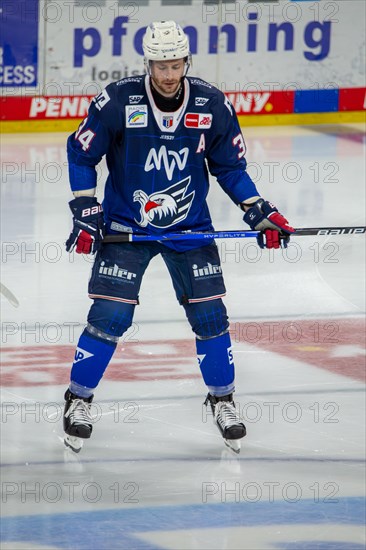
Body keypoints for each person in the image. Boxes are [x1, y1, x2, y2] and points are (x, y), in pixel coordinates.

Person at [63, 20, 294, 453]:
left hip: (190, 228)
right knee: (110, 317)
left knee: (210, 318)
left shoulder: (212, 103)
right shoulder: (117, 100)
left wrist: (258, 210)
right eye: (159, 65)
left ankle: (222, 401)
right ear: (147, 63)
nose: (168, 74)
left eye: (175, 64)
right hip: (126, 227)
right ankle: (78, 399)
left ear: (187, 61)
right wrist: (84, 208)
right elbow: (81, 151)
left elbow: (229, 167)